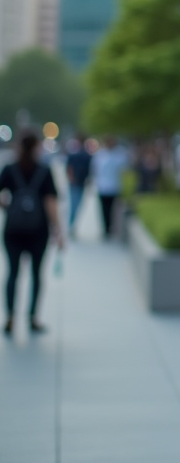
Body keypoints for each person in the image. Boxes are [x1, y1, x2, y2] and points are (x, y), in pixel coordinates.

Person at [2, 132, 65, 335]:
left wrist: (9, 207)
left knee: (13, 273)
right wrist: (58, 230)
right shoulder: (44, 171)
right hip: (39, 231)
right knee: (37, 275)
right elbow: (50, 202)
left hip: (13, 230)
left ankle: (11, 317)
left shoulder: (10, 169)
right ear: (37, 147)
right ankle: (32, 317)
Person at [91, 137, 127, 239]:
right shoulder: (100, 155)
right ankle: (106, 228)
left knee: (113, 209)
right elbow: (95, 170)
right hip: (102, 186)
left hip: (114, 186)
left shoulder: (119, 154)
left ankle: (112, 227)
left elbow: (123, 168)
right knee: (104, 209)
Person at [64, 132, 93, 236]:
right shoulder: (80, 154)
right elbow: (69, 168)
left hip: (78, 182)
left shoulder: (84, 155)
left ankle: (72, 224)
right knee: (75, 205)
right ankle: (71, 225)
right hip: (76, 183)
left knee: (76, 205)